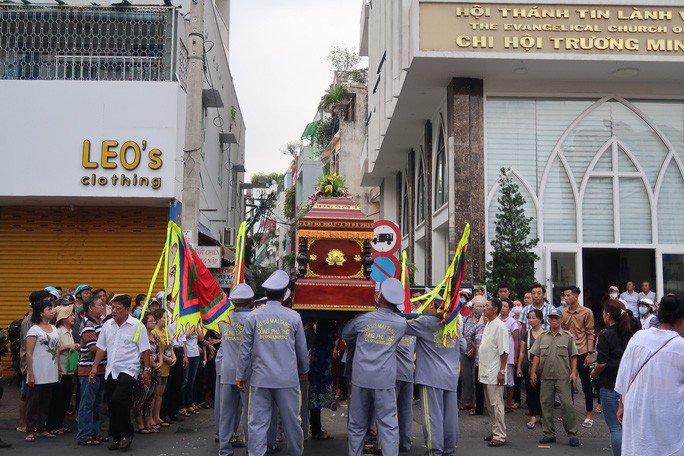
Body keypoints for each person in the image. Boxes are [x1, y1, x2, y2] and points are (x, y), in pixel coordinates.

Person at [237, 270, 309, 456]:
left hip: (261, 380)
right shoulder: (294, 317)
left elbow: (245, 350)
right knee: (293, 422)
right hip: (288, 380)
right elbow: (301, 349)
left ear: (266, 294)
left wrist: (241, 376)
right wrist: (303, 370)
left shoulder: (254, 317)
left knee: (257, 424)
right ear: (285, 294)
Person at [342, 278, 407, 456]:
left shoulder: (362, 319)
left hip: (361, 377)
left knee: (357, 424)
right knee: (388, 424)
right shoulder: (400, 324)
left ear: (379, 296)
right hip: (384, 380)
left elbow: (346, 334)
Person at [615, 295, 684, 456]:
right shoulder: (680, 346)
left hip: (637, 421)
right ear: (682, 320)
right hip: (668, 425)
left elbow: (623, 378)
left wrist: (621, 404)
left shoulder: (638, 337)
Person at [90, 294, 151, 451]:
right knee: (112, 402)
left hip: (129, 369)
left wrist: (147, 369)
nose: (115, 311)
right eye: (113, 308)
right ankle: (118, 436)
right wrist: (95, 367)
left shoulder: (138, 326)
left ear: (128, 310)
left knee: (119, 398)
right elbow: (101, 347)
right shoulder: (107, 325)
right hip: (111, 369)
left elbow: (145, 350)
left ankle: (127, 433)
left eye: (118, 308)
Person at [405, 293, 459, 456]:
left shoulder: (426, 322)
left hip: (431, 377)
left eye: (425, 303)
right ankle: (448, 451)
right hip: (450, 376)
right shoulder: (454, 324)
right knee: (450, 417)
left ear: (432, 306)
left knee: (432, 417)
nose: (422, 306)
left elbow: (401, 325)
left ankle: (434, 451)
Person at [530, 307, 579, 447]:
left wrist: (573, 373)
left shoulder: (568, 337)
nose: (554, 320)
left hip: (563, 376)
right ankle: (549, 434)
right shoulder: (542, 337)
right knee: (545, 405)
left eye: (557, 318)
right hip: (545, 376)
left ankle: (572, 433)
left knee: (567, 405)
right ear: (548, 320)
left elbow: (573, 356)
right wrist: (533, 372)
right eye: (551, 318)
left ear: (561, 320)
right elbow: (537, 356)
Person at [590, 299, 633, 456]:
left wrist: (593, 374)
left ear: (608, 315)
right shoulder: (630, 333)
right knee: (627, 427)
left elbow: (601, 364)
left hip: (610, 385)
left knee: (615, 427)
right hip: (629, 385)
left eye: (603, 313)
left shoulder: (605, 335)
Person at [216, 284, 253, 456]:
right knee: (249, 413)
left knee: (226, 414)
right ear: (250, 301)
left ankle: (224, 450)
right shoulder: (254, 318)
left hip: (227, 371)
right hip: (247, 373)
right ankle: (251, 448)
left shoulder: (224, 318)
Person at [18, 290, 53, 434]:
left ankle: (39, 426)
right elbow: (28, 347)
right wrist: (28, 368)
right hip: (29, 364)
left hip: (44, 365)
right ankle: (24, 424)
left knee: (40, 396)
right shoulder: (29, 322)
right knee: (26, 395)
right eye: (46, 301)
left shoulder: (49, 324)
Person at [560, 286, 595, 428]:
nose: (566, 298)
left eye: (568, 296)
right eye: (564, 296)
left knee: (586, 382)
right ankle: (569, 412)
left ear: (575, 296)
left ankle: (589, 414)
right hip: (568, 351)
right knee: (568, 382)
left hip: (582, 351)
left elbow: (590, 332)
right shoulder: (563, 312)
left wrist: (589, 353)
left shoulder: (586, 312)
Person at [25, 299, 59, 442]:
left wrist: (59, 369)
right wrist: (31, 374)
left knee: (46, 400)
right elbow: (29, 353)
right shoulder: (34, 329)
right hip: (38, 370)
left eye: (51, 309)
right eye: (48, 309)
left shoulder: (54, 328)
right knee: (34, 401)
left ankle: (41, 428)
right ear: (40, 313)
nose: (51, 311)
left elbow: (56, 349)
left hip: (50, 369)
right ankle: (30, 429)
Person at [77, 295, 107, 446]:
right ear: (91, 308)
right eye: (100, 305)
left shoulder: (100, 322)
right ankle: (84, 434)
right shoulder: (87, 324)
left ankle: (95, 432)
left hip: (101, 368)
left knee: (96, 404)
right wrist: (111, 348)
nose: (103, 307)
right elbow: (94, 347)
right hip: (89, 369)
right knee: (87, 404)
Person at [479, 298, 509, 447]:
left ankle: (500, 435)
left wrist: (502, 371)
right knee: (490, 405)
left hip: (495, 371)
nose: (485, 308)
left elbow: (504, 351)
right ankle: (494, 430)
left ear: (495, 309)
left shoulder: (500, 326)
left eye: (487, 306)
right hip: (485, 370)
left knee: (497, 404)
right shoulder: (488, 323)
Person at [47, 304, 79, 436]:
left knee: (65, 399)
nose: (73, 317)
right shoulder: (58, 332)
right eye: (70, 315)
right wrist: (70, 346)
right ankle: (52, 425)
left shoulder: (70, 331)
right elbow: (56, 349)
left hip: (69, 369)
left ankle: (59, 424)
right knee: (57, 399)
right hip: (61, 370)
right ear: (63, 318)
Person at [133, 313, 161, 434]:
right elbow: (143, 353)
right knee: (141, 397)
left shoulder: (155, 337)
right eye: (151, 321)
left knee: (150, 398)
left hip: (155, 370)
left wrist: (159, 363)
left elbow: (159, 351)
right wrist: (152, 364)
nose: (154, 322)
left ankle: (148, 422)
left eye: (154, 320)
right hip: (144, 370)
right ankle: (140, 425)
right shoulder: (140, 336)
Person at [517, 308, 544, 429]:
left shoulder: (545, 334)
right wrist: (518, 367)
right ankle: (533, 415)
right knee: (530, 391)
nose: (531, 320)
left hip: (543, 367)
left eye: (534, 318)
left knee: (543, 392)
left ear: (540, 319)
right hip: (528, 366)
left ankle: (543, 415)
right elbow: (522, 352)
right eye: (530, 318)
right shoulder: (526, 334)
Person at [151, 308, 175, 429]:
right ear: (157, 319)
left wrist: (174, 357)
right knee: (154, 394)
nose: (166, 320)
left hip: (167, 366)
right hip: (160, 364)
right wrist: (167, 359)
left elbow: (170, 346)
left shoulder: (166, 332)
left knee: (160, 394)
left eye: (167, 318)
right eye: (164, 318)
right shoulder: (154, 332)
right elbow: (158, 350)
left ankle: (157, 416)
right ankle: (151, 417)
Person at [459, 295, 483, 413]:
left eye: (482, 306)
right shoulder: (466, 319)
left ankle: (476, 402)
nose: (479, 308)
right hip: (465, 351)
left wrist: (474, 348)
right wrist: (468, 346)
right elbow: (463, 334)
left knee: (476, 379)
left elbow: (482, 336)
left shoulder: (484, 320)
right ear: (472, 307)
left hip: (478, 353)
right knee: (466, 377)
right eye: (477, 306)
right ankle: (466, 401)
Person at [395, 330, 415, 452]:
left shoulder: (393, 327)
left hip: (394, 373)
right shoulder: (412, 332)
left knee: (389, 411)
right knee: (406, 410)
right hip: (408, 372)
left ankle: (386, 444)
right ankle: (405, 442)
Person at [499, 298, 519, 413]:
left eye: (505, 306)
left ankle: (509, 404)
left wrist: (515, 356)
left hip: (509, 356)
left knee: (510, 381)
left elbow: (516, 340)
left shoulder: (512, 322)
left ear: (510, 309)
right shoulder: (496, 319)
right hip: (498, 355)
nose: (503, 308)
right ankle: (500, 402)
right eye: (501, 306)